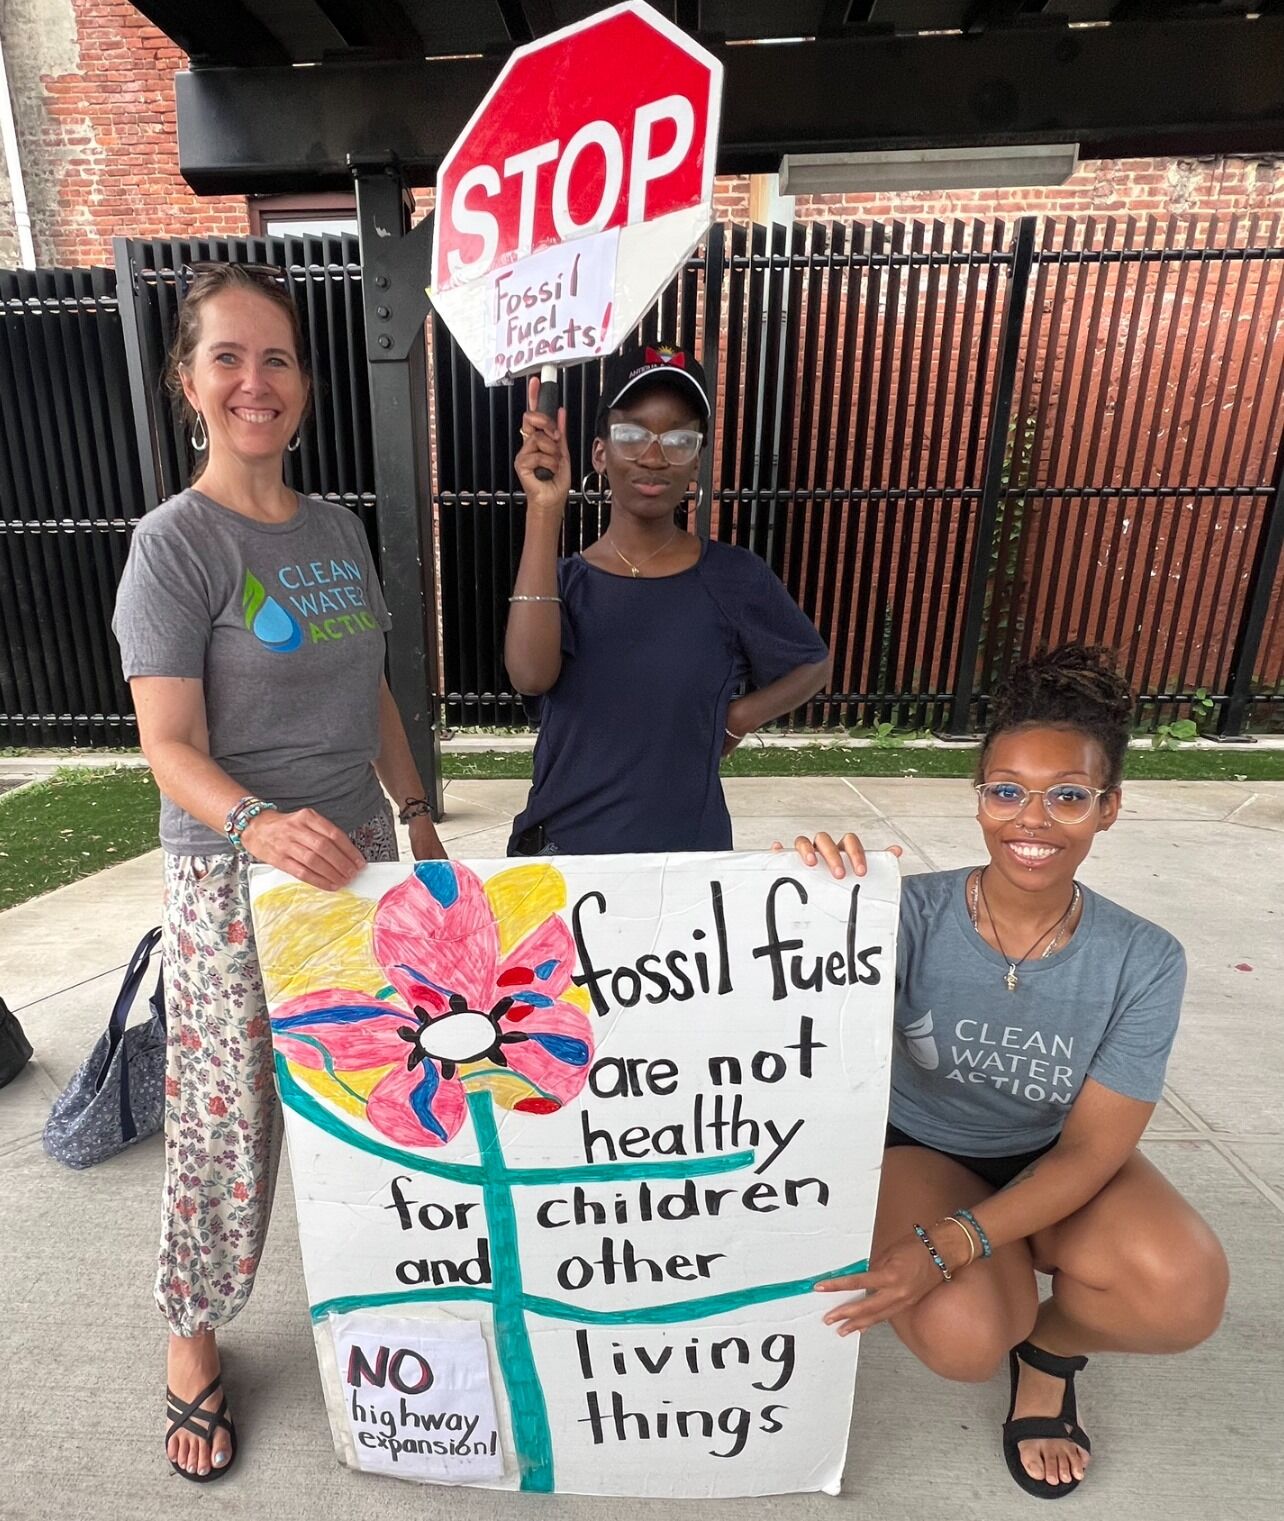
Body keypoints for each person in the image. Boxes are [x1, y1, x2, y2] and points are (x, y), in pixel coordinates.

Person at [111, 263, 446, 1483]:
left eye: (280, 359)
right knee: (229, 1126)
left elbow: (372, 694)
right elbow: (166, 748)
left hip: (354, 871)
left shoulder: (336, 528)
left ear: (304, 383)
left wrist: (416, 819)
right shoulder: (175, 545)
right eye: (230, 359)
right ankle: (192, 1341)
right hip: (233, 883)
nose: (258, 383)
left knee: (382, 1103)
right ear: (188, 381)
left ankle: (385, 1307)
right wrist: (259, 825)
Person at [791, 644, 1227, 1498]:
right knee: (963, 1337)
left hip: (1050, 1153)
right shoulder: (900, 915)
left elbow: (1093, 1152)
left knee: (1183, 1289)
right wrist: (806, 890)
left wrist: (957, 1241)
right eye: (1007, 790)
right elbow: (783, 990)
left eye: (1068, 794)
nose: (1033, 818)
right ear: (980, 797)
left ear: (1109, 808)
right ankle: (1001, 1284)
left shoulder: (1144, 958)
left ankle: (1051, 1352)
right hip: (922, 1149)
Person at [505, 343, 829, 855]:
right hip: (564, 856)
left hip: (686, 860)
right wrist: (545, 510)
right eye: (632, 435)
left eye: (679, 440)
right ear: (599, 452)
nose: (654, 457)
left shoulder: (733, 576)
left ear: (696, 461)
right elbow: (529, 676)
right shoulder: (560, 582)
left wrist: (738, 717)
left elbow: (813, 664)